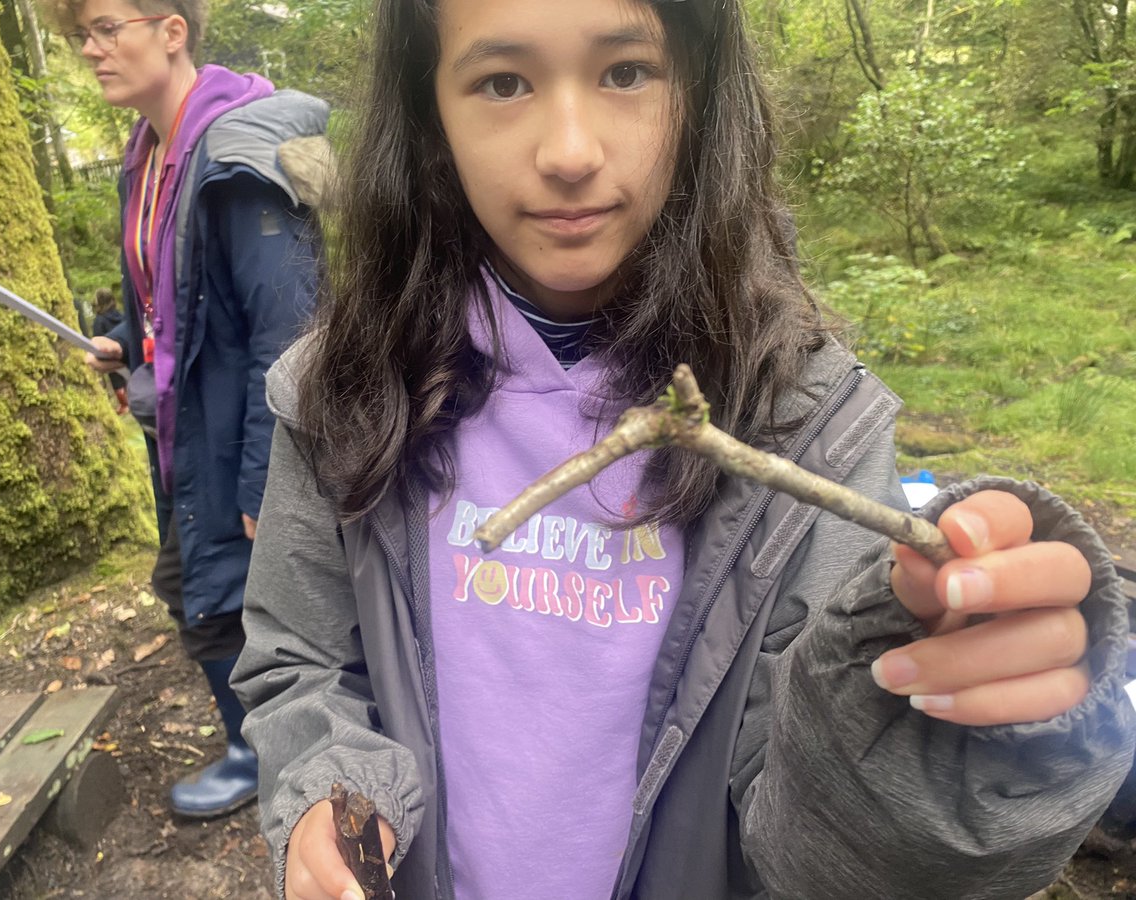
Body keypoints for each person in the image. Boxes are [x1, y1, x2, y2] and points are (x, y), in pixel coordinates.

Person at [230, 0, 1136, 897]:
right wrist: (328, 789)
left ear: (699, 91)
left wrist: (939, 741)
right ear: (431, 117)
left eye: (626, 71)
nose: (571, 152)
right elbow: (298, 662)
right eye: (503, 82)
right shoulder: (337, 395)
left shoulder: (815, 424)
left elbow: (819, 847)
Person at [51, 0, 329, 819]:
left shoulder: (235, 156)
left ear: (173, 30)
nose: (92, 52)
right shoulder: (147, 152)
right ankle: (258, 747)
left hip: (240, 440)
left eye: (108, 28)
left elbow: (290, 331)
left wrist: (260, 485)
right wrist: (125, 344)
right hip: (182, 428)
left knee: (234, 604)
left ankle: (270, 758)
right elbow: (171, 294)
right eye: (81, 37)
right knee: (194, 591)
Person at [90, 286, 128, 413]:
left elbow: (98, 339)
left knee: (117, 380)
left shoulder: (99, 321)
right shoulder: (121, 315)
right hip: (125, 351)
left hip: (109, 355)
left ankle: (124, 404)